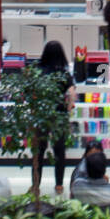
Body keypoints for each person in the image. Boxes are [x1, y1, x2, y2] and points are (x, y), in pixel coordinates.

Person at [35, 40, 75, 195]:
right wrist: (68, 107)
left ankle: (36, 184)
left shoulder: (38, 72)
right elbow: (71, 92)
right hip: (59, 115)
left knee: (39, 151)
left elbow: (32, 93)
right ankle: (59, 185)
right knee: (59, 150)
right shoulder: (63, 73)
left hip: (41, 115)